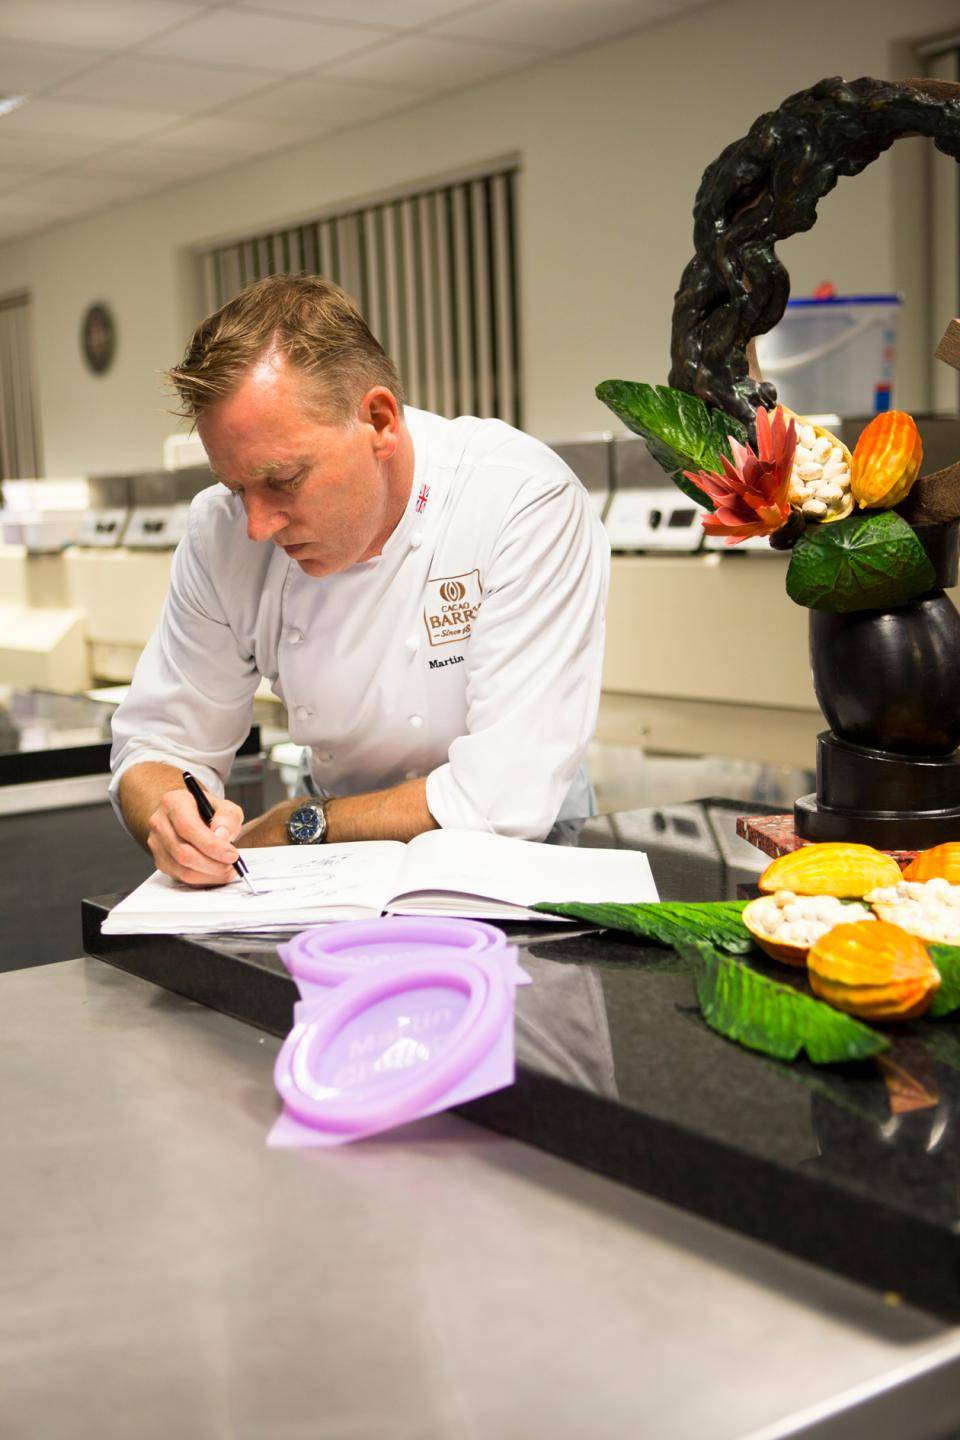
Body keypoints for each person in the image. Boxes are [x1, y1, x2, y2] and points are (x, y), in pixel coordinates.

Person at [110, 275, 610, 886]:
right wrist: (172, 815)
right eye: (237, 487)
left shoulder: (522, 500)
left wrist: (301, 823)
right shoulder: (220, 532)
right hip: (325, 850)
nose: (258, 526)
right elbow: (157, 744)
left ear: (379, 421)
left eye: (284, 479)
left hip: (517, 854)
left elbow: (504, 798)